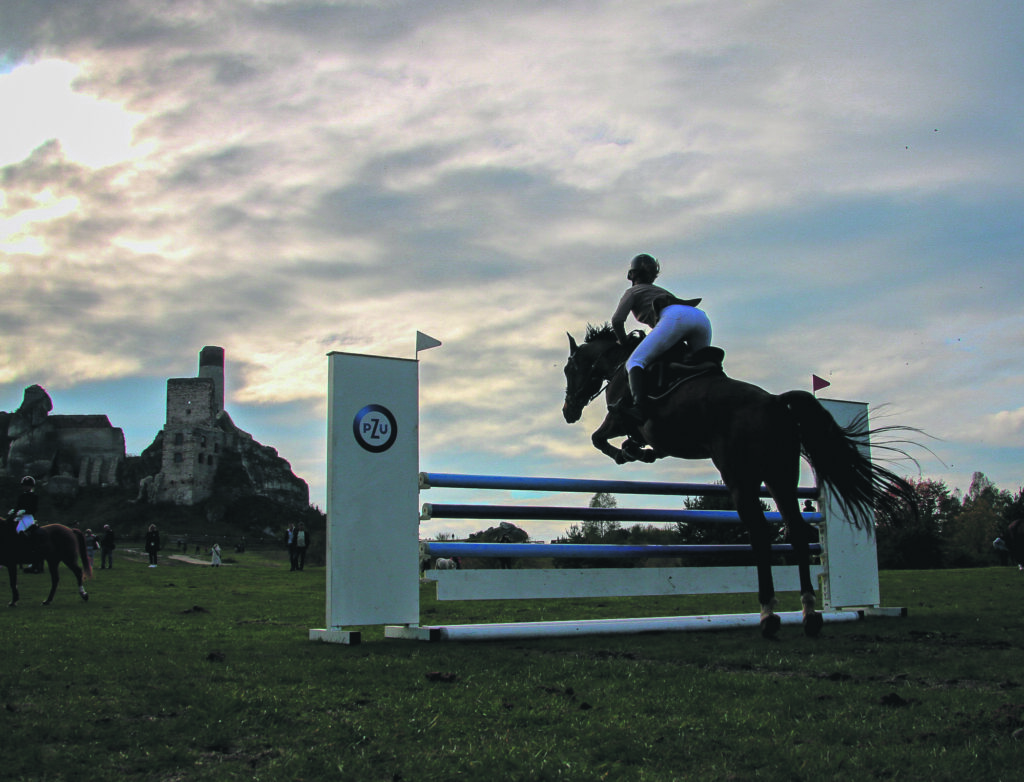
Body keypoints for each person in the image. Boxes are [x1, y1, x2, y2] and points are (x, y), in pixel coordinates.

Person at [610, 253, 711, 423]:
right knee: (700, 365)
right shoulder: (661, 291)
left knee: (634, 362)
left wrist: (623, 342)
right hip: (701, 318)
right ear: (652, 275)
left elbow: (617, 320)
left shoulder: (632, 291)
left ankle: (639, 409)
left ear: (631, 275)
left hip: (675, 317)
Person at [10, 476, 44, 573]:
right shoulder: (22, 496)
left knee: (20, 530)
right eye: (24, 486)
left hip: (28, 517)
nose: (25, 487)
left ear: (31, 486)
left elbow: (34, 509)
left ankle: (29, 556)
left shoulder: (34, 496)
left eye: (27, 486)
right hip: (20, 516)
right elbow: (18, 506)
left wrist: (25, 511)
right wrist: (14, 511)